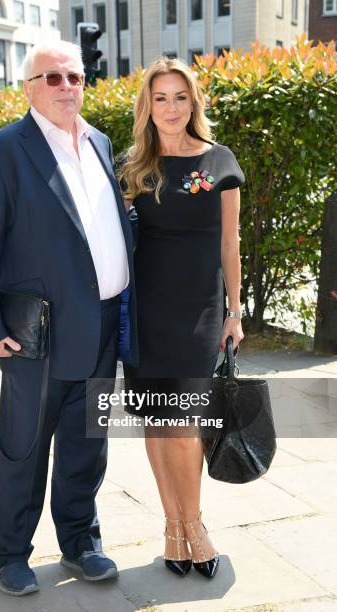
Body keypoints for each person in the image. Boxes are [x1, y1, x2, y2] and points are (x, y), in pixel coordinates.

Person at [0, 40, 138, 596]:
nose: (66, 87)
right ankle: (10, 552)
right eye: (53, 78)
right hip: (37, 334)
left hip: (104, 324)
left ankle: (81, 541)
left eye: (75, 77)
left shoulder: (102, 142)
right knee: (25, 447)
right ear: (29, 87)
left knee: (88, 443)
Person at [117, 57, 245, 579]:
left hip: (198, 310)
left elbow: (229, 242)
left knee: (185, 423)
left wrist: (235, 311)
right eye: (161, 98)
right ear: (148, 106)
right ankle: (173, 527)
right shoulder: (131, 167)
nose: (171, 108)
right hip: (145, 309)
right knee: (156, 419)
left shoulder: (219, 161)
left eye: (181, 97)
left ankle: (196, 526)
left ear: (194, 103)